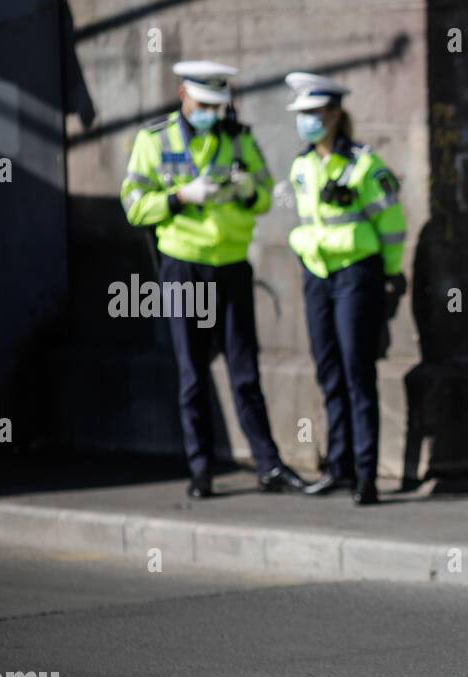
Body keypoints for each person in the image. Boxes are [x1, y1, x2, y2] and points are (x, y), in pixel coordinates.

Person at [121, 60, 308, 499]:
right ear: (183, 95)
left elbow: (264, 194)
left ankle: (268, 466)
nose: (212, 113)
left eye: (219, 105)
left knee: (245, 372)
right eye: (204, 104)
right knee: (192, 374)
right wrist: (179, 197)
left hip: (231, 266)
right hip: (184, 265)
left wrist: (247, 191)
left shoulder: (238, 137)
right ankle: (201, 470)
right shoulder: (154, 139)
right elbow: (133, 203)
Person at [283, 73, 407, 506]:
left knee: (358, 373)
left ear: (335, 115)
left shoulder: (363, 164)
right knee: (328, 371)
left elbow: (391, 225)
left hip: (358, 274)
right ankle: (340, 467)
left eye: (314, 114)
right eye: (302, 116)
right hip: (317, 274)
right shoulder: (302, 166)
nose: (307, 123)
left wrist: (391, 275)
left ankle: (366, 475)